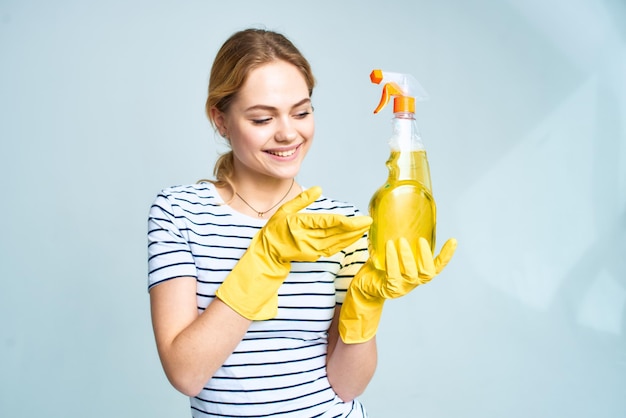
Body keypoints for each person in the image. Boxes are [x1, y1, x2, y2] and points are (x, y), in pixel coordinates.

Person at [147, 28, 457, 417]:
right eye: (262, 118)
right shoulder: (180, 212)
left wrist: (366, 303)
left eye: (302, 112)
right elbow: (186, 373)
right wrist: (266, 258)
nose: (288, 133)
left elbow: (347, 386)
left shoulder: (339, 225)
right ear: (220, 119)